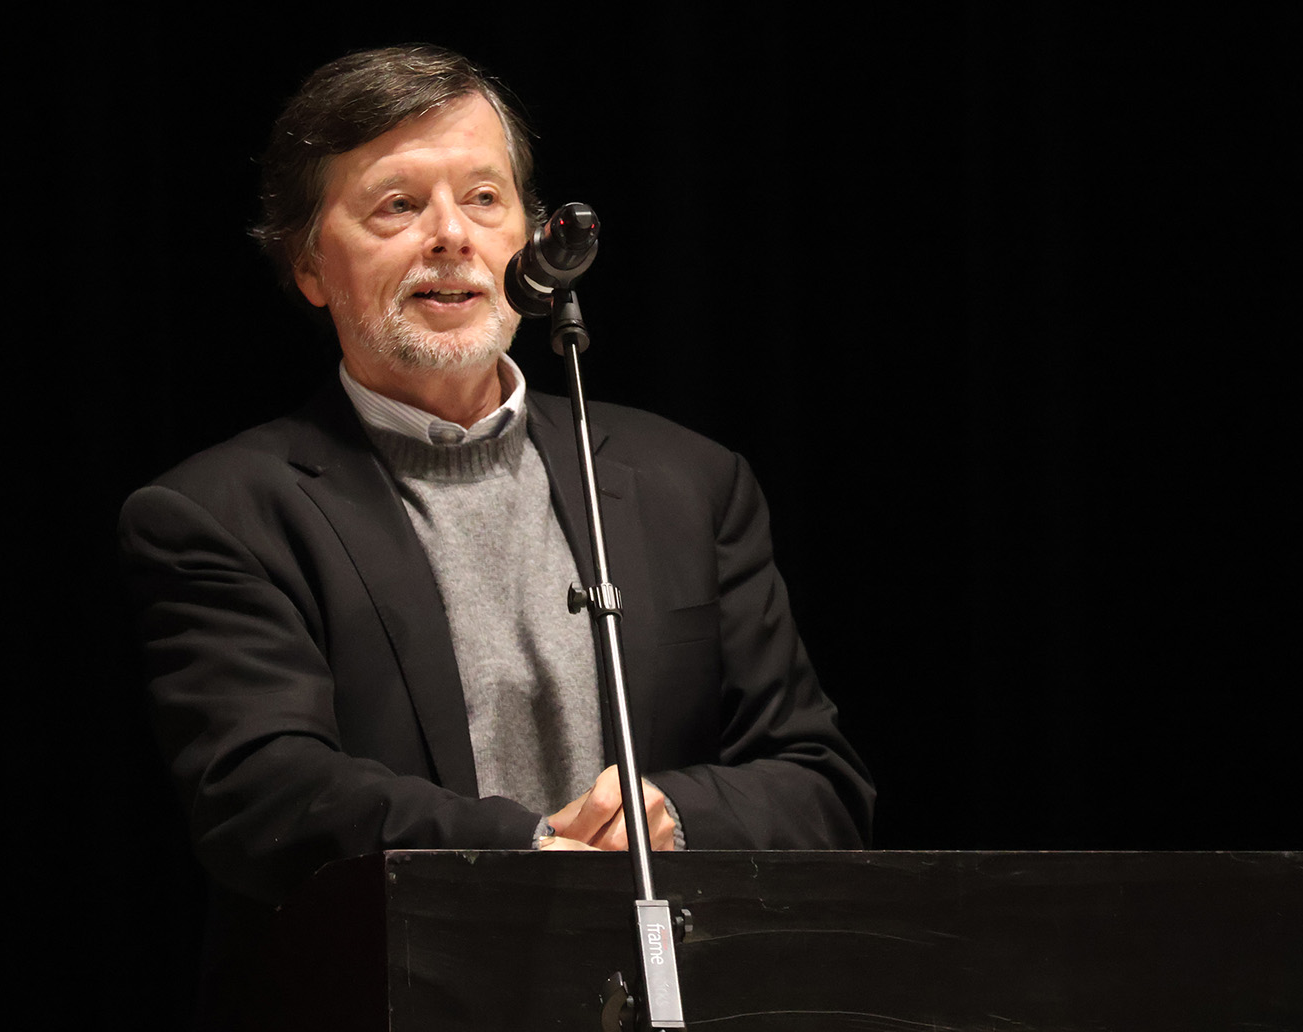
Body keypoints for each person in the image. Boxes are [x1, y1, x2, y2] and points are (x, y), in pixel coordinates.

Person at [119, 43, 874, 1021]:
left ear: (526, 239)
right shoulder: (220, 511)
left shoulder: (690, 482)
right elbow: (264, 793)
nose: (450, 237)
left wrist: (674, 817)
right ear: (306, 261)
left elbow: (819, 782)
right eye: (396, 205)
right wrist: (526, 856)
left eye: (484, 199)